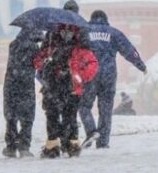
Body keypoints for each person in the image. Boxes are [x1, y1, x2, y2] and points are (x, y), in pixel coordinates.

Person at [79, 10, 147, 149]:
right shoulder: (113, 33)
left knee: (84, 106)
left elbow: (75, 52)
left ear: (91, 19)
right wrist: (141, 65)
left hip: (90, 74)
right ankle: (103, 142)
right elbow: (129, 51)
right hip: (108, 76)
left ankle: (91, 131)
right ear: (105, 19)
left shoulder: (84, 31)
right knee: (105, 110)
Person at [34, 25, 98, 158]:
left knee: (65, 117)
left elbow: (92, 64)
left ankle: (60, 145)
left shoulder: (74, 48)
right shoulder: (53, 46)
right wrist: (45, 63)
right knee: (60, 116)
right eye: (64, 31)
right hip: (57, 87)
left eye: (69, 31)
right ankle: (65, 145)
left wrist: (79, 76)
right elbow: (38, 61)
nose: (66, 34)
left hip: (67, 87)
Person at [2, 27, 42, 158]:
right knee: (27, 116)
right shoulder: (34, 48)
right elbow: (38, 64)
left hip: (10, 84)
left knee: (11, 116)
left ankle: (11, 146)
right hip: (26, 85)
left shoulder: (13, 45)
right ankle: (24, 146)